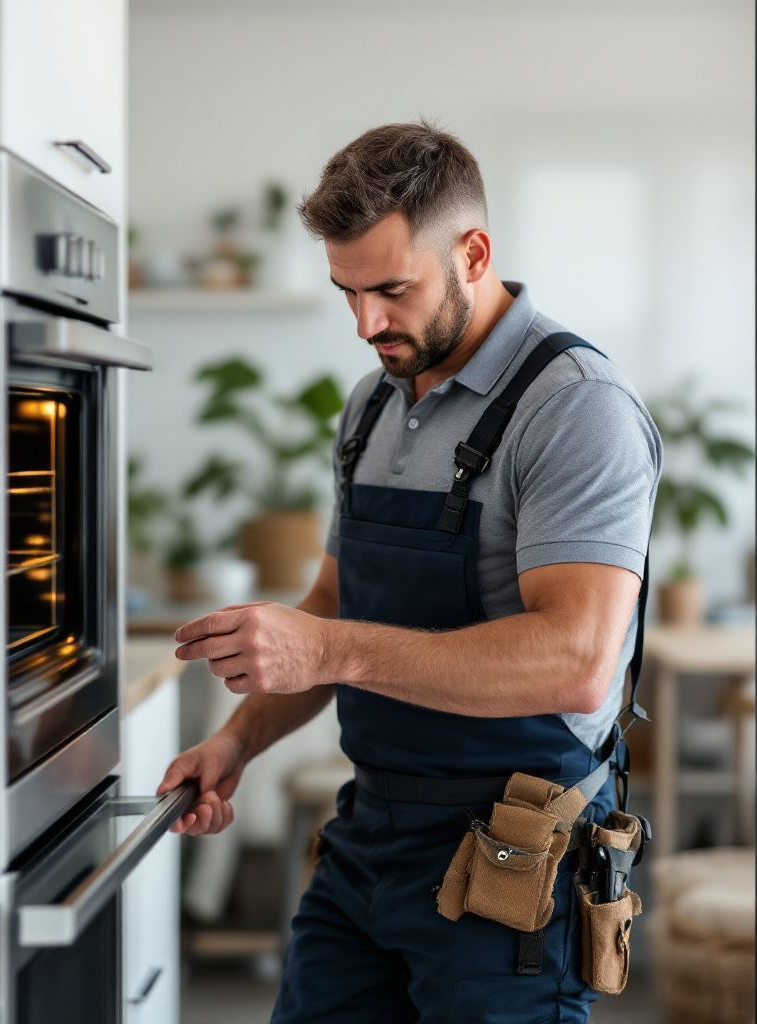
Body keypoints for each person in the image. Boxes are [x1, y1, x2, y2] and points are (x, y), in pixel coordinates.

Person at [157, 120, 662, 1022]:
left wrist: (331, 651)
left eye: (391, 289)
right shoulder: (371, 404)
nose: (366, 325)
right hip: (366, 841)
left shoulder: (577, 409)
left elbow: (575, 660)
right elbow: (332, 604)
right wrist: (235, 743)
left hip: (512, 859)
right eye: (346, 292)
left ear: (473, 252)